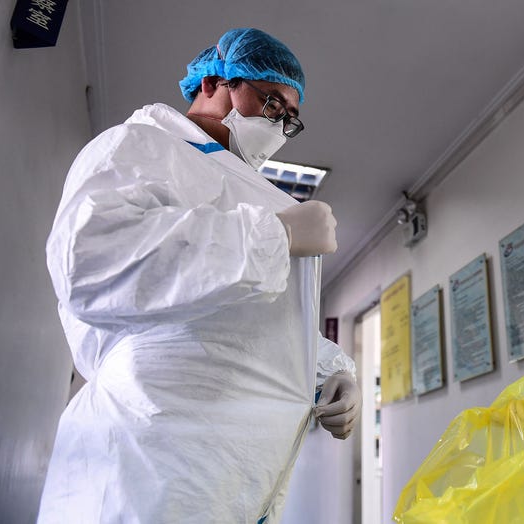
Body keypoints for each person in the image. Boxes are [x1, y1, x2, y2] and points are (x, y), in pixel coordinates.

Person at [39, 28, 361, 522]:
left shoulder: (244, 189)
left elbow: (257, 326)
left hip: (234, 482)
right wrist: (276, 238)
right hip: (149, 461)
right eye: (272, 102)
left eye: (290, 119)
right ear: (213, 81)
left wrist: (333, 371)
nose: (279, 124)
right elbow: (91, 260)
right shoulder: (141, 145)